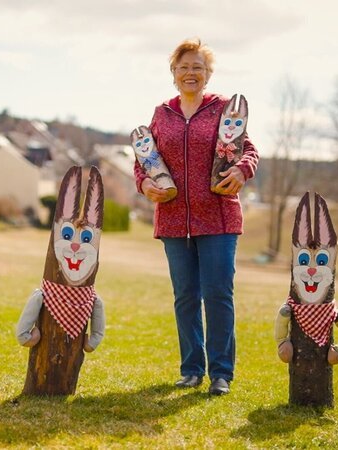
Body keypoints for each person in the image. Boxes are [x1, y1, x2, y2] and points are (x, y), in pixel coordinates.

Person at [134, 38, 259, 396]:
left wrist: (243, 170)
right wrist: (144, 186)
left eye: (198, 68)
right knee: (185, 296)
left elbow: (247, 148)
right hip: (173, 219)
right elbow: (144, 160)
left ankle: (221, 373)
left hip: (218, 218)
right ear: (173, 73)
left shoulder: (224, 109)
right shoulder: (162, 114)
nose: (191, 73)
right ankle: (191, 369)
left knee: (218, 294)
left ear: (208, 74)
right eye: (184, 67)